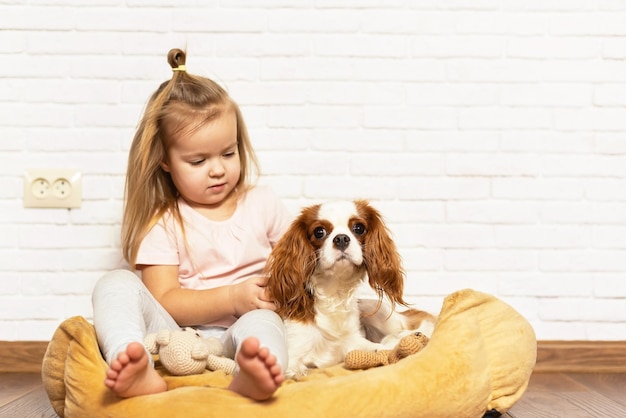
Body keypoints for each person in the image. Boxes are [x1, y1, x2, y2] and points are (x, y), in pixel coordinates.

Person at [91, 48, 292, 401]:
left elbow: (297, 261)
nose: (217, 169)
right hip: (174, 337)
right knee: (114, 283)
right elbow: (165, 299)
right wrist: (232, 296)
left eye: (228, 153)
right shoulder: (164, 221)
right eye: (198, 160)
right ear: (164, 161)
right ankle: (133, 361)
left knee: (264, 325)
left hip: (238, 334)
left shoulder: (263, 203)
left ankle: (255, 373)